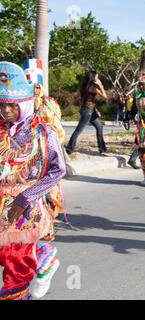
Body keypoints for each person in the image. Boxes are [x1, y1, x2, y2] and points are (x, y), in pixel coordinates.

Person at [0, 61, 66, 300]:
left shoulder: (43, 132)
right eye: (3, 105)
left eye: (12, 105)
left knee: (15, 263)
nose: (7, 111)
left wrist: (25, 197)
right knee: (7, 254)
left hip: (23, 207)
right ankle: (43, 255)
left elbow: (57, 170)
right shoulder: (1, 130)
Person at [65, 70, 107, 155]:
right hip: (88, 111)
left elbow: (74, 98)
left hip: (87, 110)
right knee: (78, 130)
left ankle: (102, 149)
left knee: (99, 126)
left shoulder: (84, 87)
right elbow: (105, 96)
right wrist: (100, 85)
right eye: (97, 76)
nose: (98, 78)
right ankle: (69, 149)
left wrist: (67, 108)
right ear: (93, 77)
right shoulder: (93, 88)